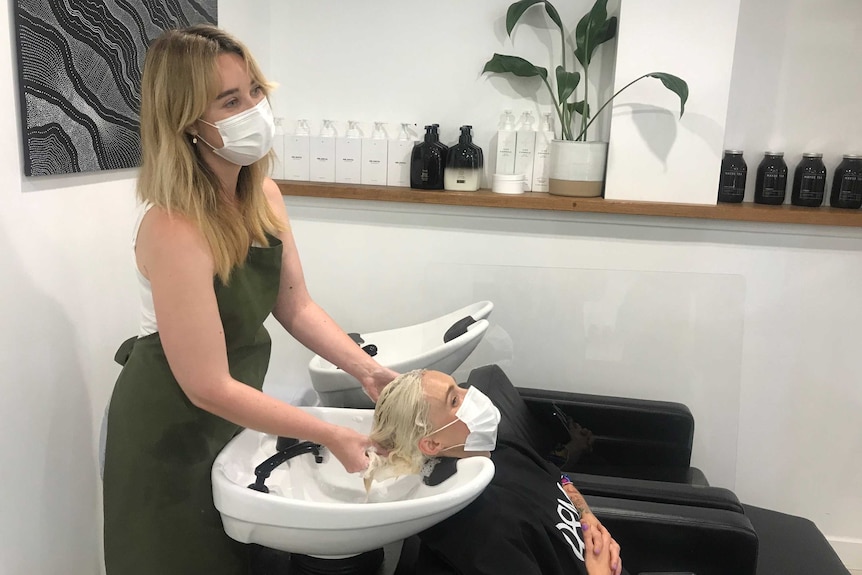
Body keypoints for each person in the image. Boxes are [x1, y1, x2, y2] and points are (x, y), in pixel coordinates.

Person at [101, 25, 397, 575]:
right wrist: (329, 431)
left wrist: (368, 371)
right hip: (171, 431)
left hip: (233, 416)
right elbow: (207, 384)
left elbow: (297, 306)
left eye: (255, 91)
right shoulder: (173, 227)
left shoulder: (261, 194)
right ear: (189, 120)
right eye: (230, 100)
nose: (253, 109)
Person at [368, 369, 625, 575]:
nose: (471, 394)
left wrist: (588, 517)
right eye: (454, 399)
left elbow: (560, 479)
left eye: (459, 386)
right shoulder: (477, 528)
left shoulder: (499, 447)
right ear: (433, 444)